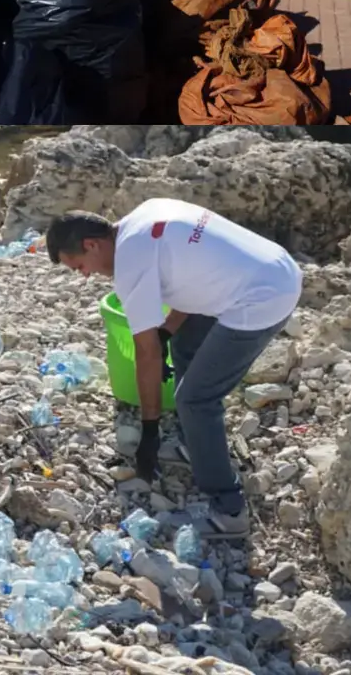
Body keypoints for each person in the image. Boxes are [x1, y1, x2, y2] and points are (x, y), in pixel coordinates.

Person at [48, 201, 302, 535]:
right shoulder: (148, 211)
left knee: (195, 399)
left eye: (78, 265)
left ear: (91, 245)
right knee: (184, 342)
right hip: (277, 266)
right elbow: (188, 281)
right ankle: (194, 442)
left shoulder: (129, 266)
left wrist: (150, 430)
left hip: (262, 299)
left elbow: (147, 353)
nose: (84, 275)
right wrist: (167, 330)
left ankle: (229, 508)